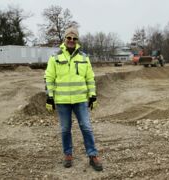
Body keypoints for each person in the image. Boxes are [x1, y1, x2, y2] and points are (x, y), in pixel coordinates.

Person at [44, 27, 103, 171]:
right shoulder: (55, 58)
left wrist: (93, 95)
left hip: (80, 100)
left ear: (77, 40)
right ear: (64, 39)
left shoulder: (84, 57)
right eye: (69, 38)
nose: (71, 41)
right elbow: (49, 78)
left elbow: (90, 78)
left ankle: (92, 155)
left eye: (74, 38)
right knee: (65, 129)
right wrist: (49, 97)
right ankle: (68, 155)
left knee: (86, 127)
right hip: (63, 101)